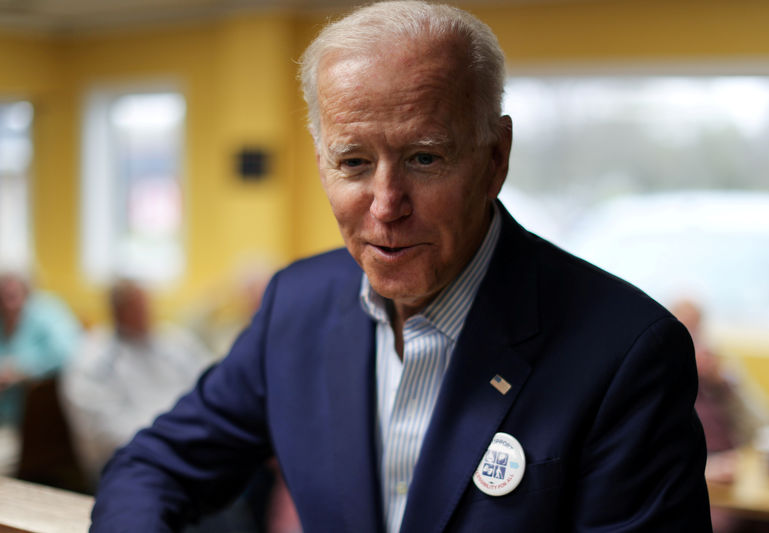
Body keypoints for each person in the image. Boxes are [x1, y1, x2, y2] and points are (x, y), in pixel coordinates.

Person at [91, 2, 711, 531]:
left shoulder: (627, 354)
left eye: (423, 158)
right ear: (321, 163)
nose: (386, 206)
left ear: (495, 158)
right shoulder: (296, 306)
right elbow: (154, 467)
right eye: (354, 163)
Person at [59, 279, 214, 485]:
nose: (146, 313)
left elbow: (211, 384)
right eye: (137, 307)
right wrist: (179, 441)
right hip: (131, 465)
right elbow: (106, 434)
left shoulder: (174, 341)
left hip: (191, 447)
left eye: (147, 305)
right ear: (117, 310)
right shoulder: (92, 359)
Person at [0, 270, 82, 475]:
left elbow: (69, 351)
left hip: (32, 423)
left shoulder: (46, 312)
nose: (7, 297)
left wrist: (19, 370)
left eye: (13, 290)